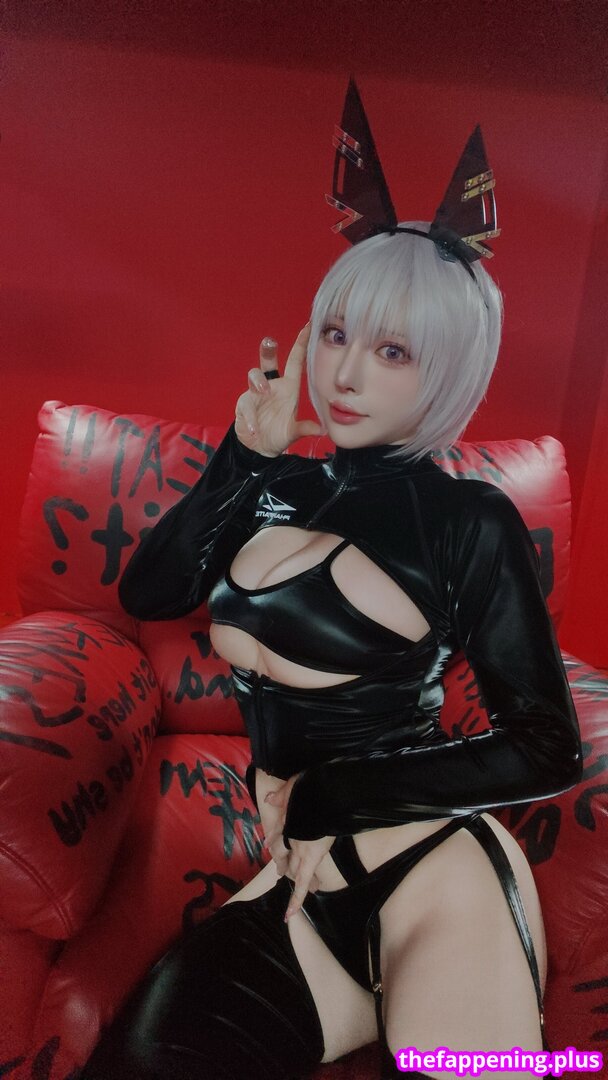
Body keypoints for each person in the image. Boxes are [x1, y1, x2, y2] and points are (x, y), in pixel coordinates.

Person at [81, 92, 582, 1080]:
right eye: (338, 333)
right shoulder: (284, 482)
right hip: (303, 879)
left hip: (433, 873)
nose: (345, 374)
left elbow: (545, 743)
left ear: (445, 370)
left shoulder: (467, 522)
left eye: (392, 352)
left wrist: (334, 791)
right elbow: (150, 591)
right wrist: (241, 455)